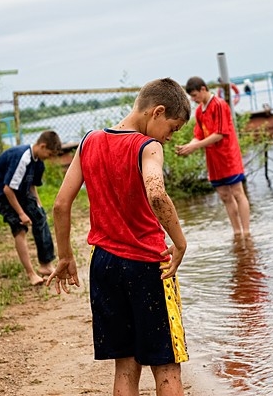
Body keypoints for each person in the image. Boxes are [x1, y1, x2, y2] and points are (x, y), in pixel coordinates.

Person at [47, 78, 191, 396]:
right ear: (157, 111)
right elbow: (156, 193)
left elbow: (60, 204)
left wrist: (65, 256)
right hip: (147, 265)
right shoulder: (147, 147)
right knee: (167, 366)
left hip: (105, 266)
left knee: (125, 365)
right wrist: (180, 242)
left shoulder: (89, 141)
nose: (169, 138)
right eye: (173, 128)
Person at [176, 76, 251, 237]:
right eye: (192, 97)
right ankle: (237, 231)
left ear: (203, 89)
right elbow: (199, 134)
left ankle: (246, 231)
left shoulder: (219, 105)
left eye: (195, 95)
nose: (194, 99)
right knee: (224, 195)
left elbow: (220, 134)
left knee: (238, 192)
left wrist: (196, 145)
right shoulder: (199, 111)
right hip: (213, 159)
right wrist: (189, 145)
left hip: (228, 155)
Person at [0, 130, 62, 286]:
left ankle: (45, 264)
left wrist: (38, 205)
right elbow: (7, 189)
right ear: (42, 146)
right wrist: (21, 214)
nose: (50, 158)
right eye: (50, 153)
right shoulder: (23, 158)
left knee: (40, 217)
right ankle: (30, 274)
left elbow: (32, 186)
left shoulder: (38, 162)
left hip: (19, 191)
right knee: (20, 228)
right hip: (1, 192)